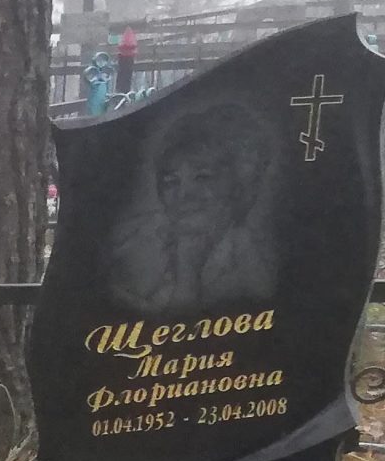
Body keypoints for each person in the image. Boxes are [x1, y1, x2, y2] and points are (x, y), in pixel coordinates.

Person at [105, 101, 279, 317]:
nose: (185, 195)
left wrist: (188, 273)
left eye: (202, 177)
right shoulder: (135, 242)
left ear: (237, 184)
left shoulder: (250, 259)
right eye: (171, 182)